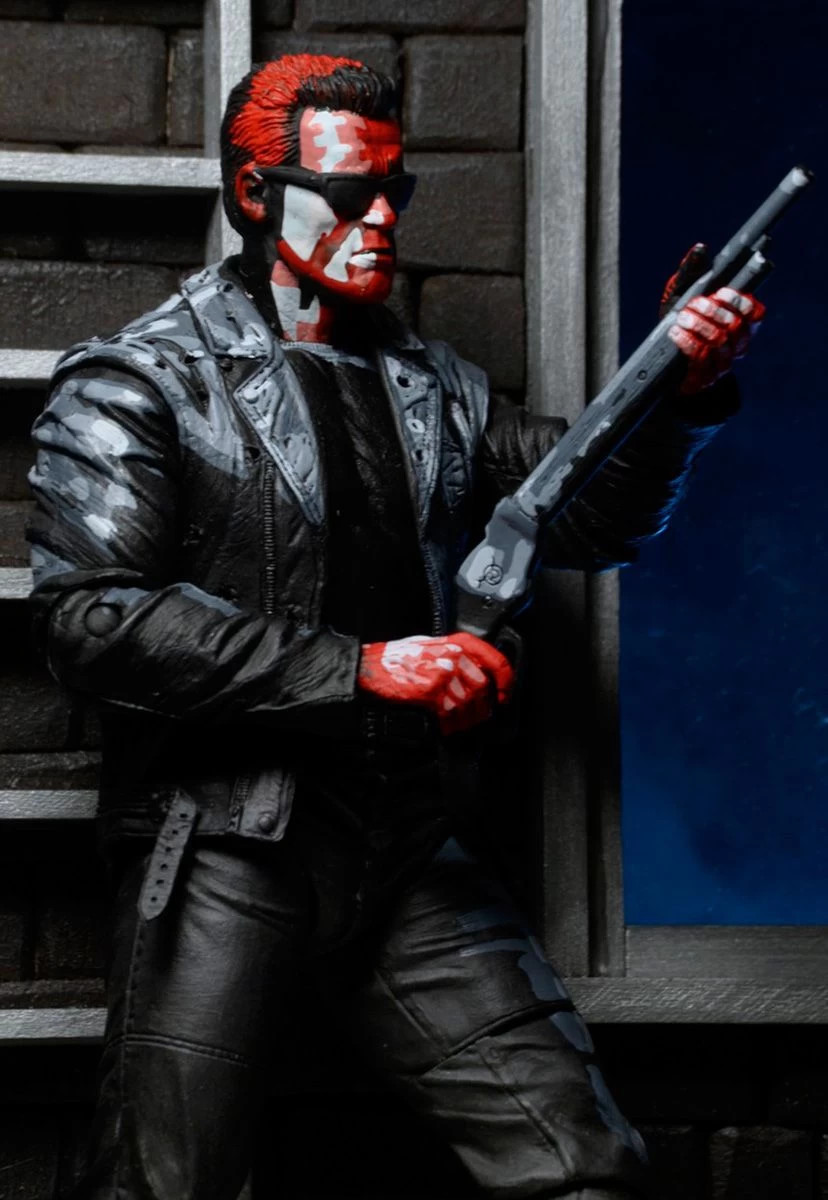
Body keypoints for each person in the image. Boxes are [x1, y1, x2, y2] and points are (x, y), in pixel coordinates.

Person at [27, 54, 763, 1200]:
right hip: (228, 838)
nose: (380, 220)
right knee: (168, 1182)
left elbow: (581, 511)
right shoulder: (146, 381)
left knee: (583, 1165)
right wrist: (365, 670)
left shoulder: (434, 387)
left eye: (394, 191)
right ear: (255, 193)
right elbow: (95, 616)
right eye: (346, 193)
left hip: (406, 842)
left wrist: (679, 389)